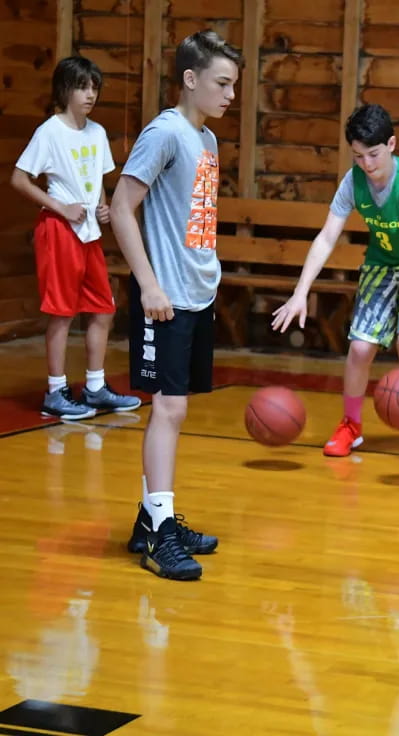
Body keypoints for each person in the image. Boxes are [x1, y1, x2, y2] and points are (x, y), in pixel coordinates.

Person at [109, 30, 242, 580]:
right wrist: (149, 285)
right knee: (169, 409)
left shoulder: (206, 139)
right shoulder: (164, 132)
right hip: (163, 297)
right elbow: (121, 206)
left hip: (196, 293)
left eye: (233, 85)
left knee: (176, 408)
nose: (230, 95)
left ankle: (152, 518)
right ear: (190, 79)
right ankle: (159, 537)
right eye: (222, 83)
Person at [271, 103, 399, 475]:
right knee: (360, 347)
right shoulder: (352, 182)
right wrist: (300, 292)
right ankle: (351, 425)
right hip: (381, 263)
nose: (366, 164)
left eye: (374, 154)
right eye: (358, 156)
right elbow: (326, 237)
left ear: (391, 145)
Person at [11, 56, 142, 420]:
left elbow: (96, 179)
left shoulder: (97, 132)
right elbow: (19, 179)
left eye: (94, 88)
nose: (90, 95)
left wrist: (102, 206)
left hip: (89, 233)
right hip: (58, 230)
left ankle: (95, 388)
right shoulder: (49, 132)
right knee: (61, 313)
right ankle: (56, 392)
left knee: (104, 308)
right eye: (83, 87)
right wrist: (60, 207)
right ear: (64, 89)